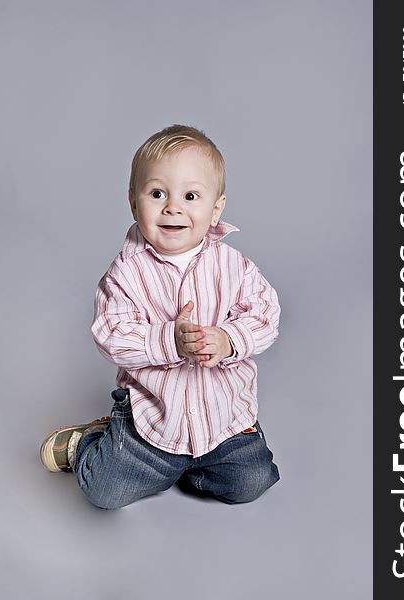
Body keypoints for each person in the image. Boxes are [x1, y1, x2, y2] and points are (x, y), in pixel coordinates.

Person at [40, 124, 281, 509]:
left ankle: (190, 465)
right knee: (105, 492)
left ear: (216, 206)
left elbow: (266, 314)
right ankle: (90, 443)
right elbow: (111, 334)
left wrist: (229, 339)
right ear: (134, 203)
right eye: (157, 194)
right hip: (152, 421)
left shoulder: (234, 266)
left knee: (254, 481)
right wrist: (169, 339)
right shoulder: (125, 273)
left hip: (223, 423)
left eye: (190, 195)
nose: (173, 207)